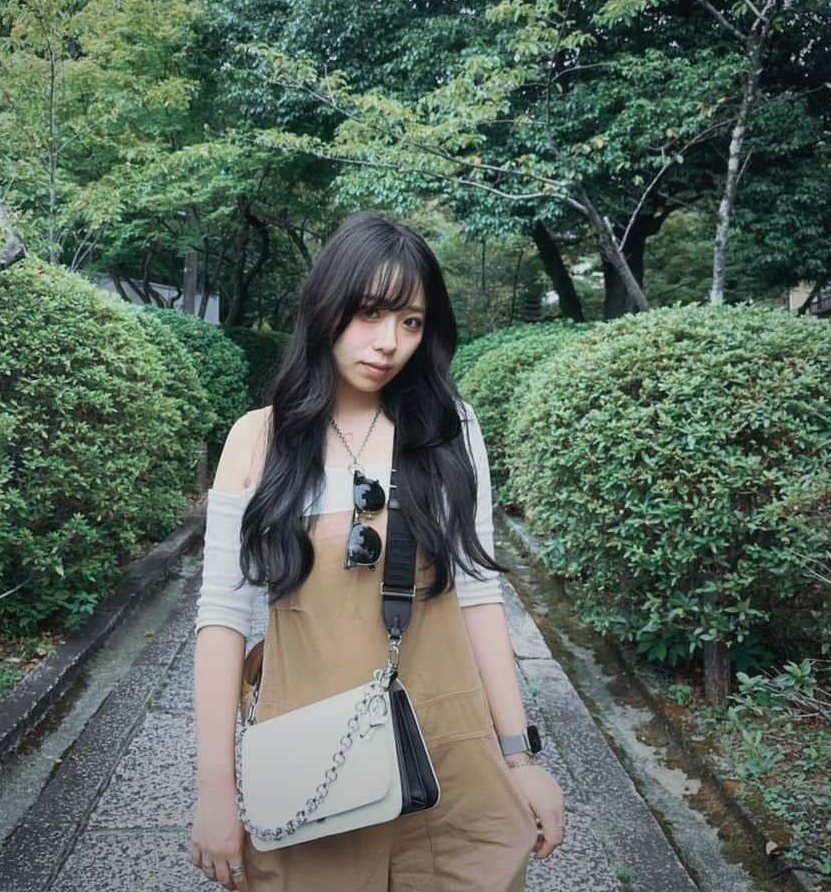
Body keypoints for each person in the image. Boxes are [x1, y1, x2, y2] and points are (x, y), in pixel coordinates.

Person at [190, 214, 565, 891]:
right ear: (326, 308)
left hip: (451, 760)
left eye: (412, 323)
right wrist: (215, 786)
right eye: (369, 314)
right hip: (314, 767)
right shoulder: (258, 442)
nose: (389, 343)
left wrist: (520, 757)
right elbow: (221, 620)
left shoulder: (450, 431)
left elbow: (478, 595)